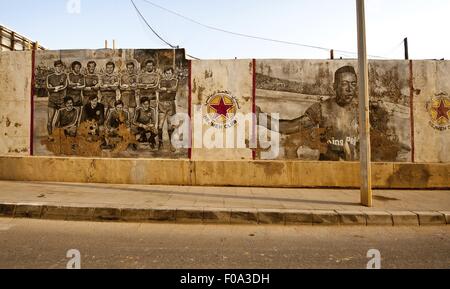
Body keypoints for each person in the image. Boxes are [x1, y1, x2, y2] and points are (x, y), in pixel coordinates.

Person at [258, 65, 361, 161]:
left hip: (355, 172)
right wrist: (262, 119)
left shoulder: (361, 110)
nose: (349, 89)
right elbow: (291, 127)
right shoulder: (322, 109)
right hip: (328, 171)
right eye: (344, 84)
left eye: (353, 84)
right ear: (334, 86)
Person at [157, 67, 179, 151]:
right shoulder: (161, 81)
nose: (168, 75)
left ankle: (171, 144)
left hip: (171, 104)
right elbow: (157, 89)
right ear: (164, 73)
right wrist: (164, 90)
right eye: (166, 73)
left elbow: (174, 89)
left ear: (172, 74)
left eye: (169, 73)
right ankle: (160, 143)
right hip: (161, 104)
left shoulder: (175, 80)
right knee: (160, 125)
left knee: (170, 125)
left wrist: (165, 89)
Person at [46, 60, 68, 141]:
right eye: (57, 66)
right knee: (49, 120)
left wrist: (54, 88)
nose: (59, 68)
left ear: (62, 67)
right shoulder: (50, 77)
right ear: (55, 67)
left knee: (62, 120)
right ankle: (50, 135)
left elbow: (65, 86)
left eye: (60, 66)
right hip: (52, 100)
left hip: (62, 100)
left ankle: (60, 135)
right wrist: (55, 88)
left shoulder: (65, 75)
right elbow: (48, 88)